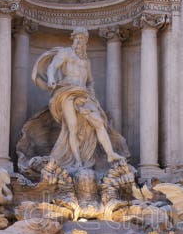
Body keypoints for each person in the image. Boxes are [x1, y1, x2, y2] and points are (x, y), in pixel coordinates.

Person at [32, 27, 126, 169]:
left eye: (82, 38)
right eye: (77, 38)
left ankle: (110, 153)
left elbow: (90, 81)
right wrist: (51, 78)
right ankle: (77, 161)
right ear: (73, 39)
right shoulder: (65, 53)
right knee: (73, 127)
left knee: (99, 122)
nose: (79, 41)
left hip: (83, 94)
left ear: (85, 42)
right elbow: (52, 67)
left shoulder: (86, 61)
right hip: (66, 92)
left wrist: (92, 96)